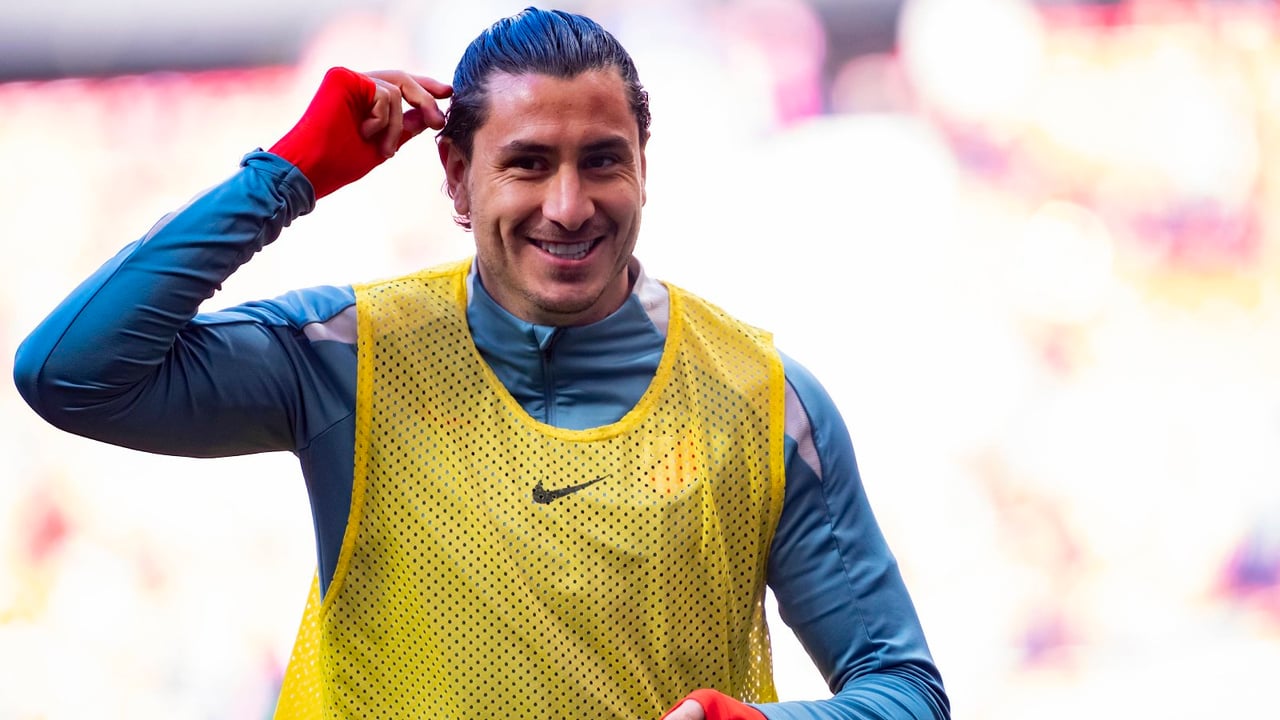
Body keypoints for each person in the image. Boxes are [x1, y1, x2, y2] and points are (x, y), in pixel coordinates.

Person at [12, 7, 949, 720]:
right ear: (458, 178)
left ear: (644, 168)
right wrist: (291, 172)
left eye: (603, 161)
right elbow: (69, 372)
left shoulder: (764, 401)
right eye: (528, 164)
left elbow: (905, 691)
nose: (569, 205)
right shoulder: (347, 356)